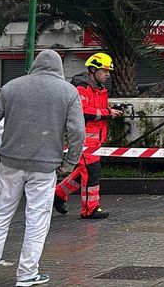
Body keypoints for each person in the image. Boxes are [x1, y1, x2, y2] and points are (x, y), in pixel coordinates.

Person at [0, 49, 85, 287]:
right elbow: (77, 132)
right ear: (59, 68)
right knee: (37, 219)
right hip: (46, 168)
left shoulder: (12, 86)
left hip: (9, 164)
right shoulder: (68, 92)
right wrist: (69, 164)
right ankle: (27, 274)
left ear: (35, 65)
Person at [53, 52, 124, 220]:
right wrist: (107, 113)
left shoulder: (99, 89)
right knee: (91, 172)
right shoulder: (81, 87)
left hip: (96, 140)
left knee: (84, 171)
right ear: (93, 69)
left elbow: (94, 110)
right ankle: (90, 209)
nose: (108, 75)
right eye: (105, 71)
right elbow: (82, 111)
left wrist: (110, 110)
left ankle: (58, 193)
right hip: (84, 140)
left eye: (109, 72)